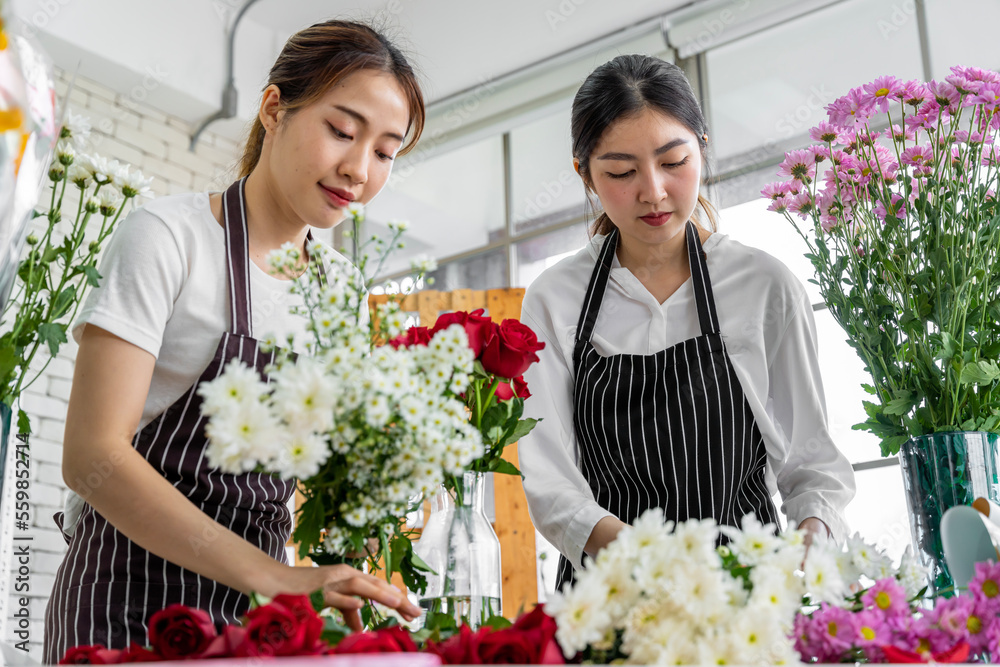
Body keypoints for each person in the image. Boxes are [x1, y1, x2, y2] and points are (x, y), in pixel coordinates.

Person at [43, 20, 424, 662]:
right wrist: (275, 577)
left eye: (385, 151)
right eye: (341, 130)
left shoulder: (343, 292)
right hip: (124, 606)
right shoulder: (169, 239)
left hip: (263, 624)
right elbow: (90, 456)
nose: (359, 169)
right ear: (274, 108)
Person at [518, 54, 856, 590]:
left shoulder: (763, 285)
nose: (653, 191)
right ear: (585, 174)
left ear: (702, 146)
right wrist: (652, 566)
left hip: (745, 596)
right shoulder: (555, 299)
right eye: (622, 172)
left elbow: (812, 466)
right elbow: (550, 481)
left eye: (674, 161)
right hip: (609, 597)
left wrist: (813, 538)